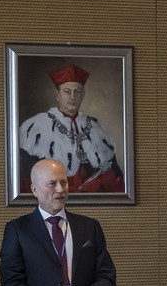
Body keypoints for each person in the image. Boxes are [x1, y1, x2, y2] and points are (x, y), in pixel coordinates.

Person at [0, 158, 118, 286]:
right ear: (34, 189)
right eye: (52, 184)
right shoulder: (17, 230)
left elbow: (106, 278)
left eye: (64, 182)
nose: (60, 190)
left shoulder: (89, 227)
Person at [19, 64, 125, 193]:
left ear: (83, 95)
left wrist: (103, 179)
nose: (73, 97)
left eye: (77, 92)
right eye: (67, 91)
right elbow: (28, 180)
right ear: (57, 95)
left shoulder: (96, 128)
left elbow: (117, 179)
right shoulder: (36, 127)